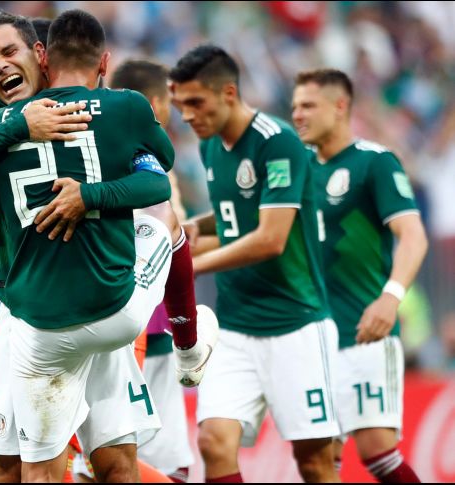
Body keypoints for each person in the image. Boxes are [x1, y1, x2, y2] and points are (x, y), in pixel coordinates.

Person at [0, 9, 189, 482]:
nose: (1, 67)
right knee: (12, 465)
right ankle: (192, 335)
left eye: (10, 52)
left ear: (40, 55)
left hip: (60, 310)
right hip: (47, 304)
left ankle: (189, 337)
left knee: (110, 460)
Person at [170, 45, 340, 483]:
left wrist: (189, 265)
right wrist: (194, 227)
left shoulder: (276, 141)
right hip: (234, 329)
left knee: (316, 463)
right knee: (213, 443)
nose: (186, 115)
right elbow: (235, 217)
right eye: (179, 105)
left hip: (295, 325)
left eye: (195, 102)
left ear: (228, 93)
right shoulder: (211, 146)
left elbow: (269, 238)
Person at [292, 68, 427, 483]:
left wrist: (391, 296)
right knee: (317, 462)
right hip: (311, 338)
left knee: (378, 453)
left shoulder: (374, 162)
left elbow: (414, 236)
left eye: (308, 105)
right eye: (294, 106)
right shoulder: (295, 171)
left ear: (340, 106)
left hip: (363, 331)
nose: (297, 115)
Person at [109, 58, 195, 483]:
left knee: (118, 449)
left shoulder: (102, 143)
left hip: (116, 309)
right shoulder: (146, 156)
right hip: (147, 316)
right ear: (155, 102)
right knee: (150, 452)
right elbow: (170, 234)